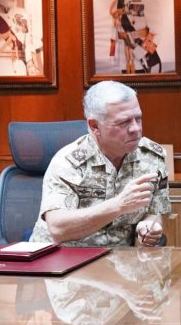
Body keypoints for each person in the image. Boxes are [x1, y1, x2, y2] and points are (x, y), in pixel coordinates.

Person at [29, 80, 170, 247]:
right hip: (61, 256)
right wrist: (118, 205)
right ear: (95, 126)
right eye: (123, 122)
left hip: (118, 259)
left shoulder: (153, 157)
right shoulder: (68, 163)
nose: (135, 128)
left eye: (138, 118)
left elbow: (155, 211)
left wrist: (149, 226)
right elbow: (58, 229)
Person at [108, 0, 161, 74]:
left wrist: (142, 52)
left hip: (142, 57)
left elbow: (156, 30)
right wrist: (112, 53)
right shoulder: (118, 1)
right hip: (123, 57)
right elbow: (114, 30)